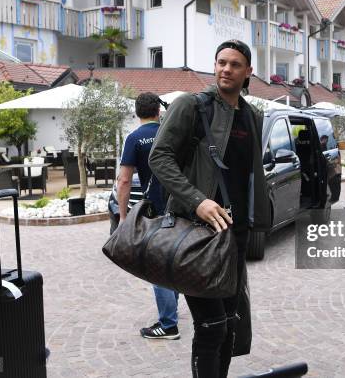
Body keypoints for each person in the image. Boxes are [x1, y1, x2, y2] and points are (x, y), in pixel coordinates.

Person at [149, 39, 270, 378]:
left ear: (248, 72)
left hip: (235, 235)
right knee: (212, 325)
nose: (226, 69)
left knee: (229, 325)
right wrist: (197, 200)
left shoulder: (252, 115)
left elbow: (250, 174)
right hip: (196, 233)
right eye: (221, 62)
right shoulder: (191, 106)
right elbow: (159, 156)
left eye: (234, 64)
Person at [116, 92, 180, 340]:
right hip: (181, 205)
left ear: (136, 112)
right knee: (173, 259)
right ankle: (171, 311)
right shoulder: (170, 133)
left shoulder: (134, 138)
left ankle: (168, 324)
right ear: (158, 111)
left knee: (156, 266)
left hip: (154, 210)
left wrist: (123, 217)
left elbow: (124, 180)